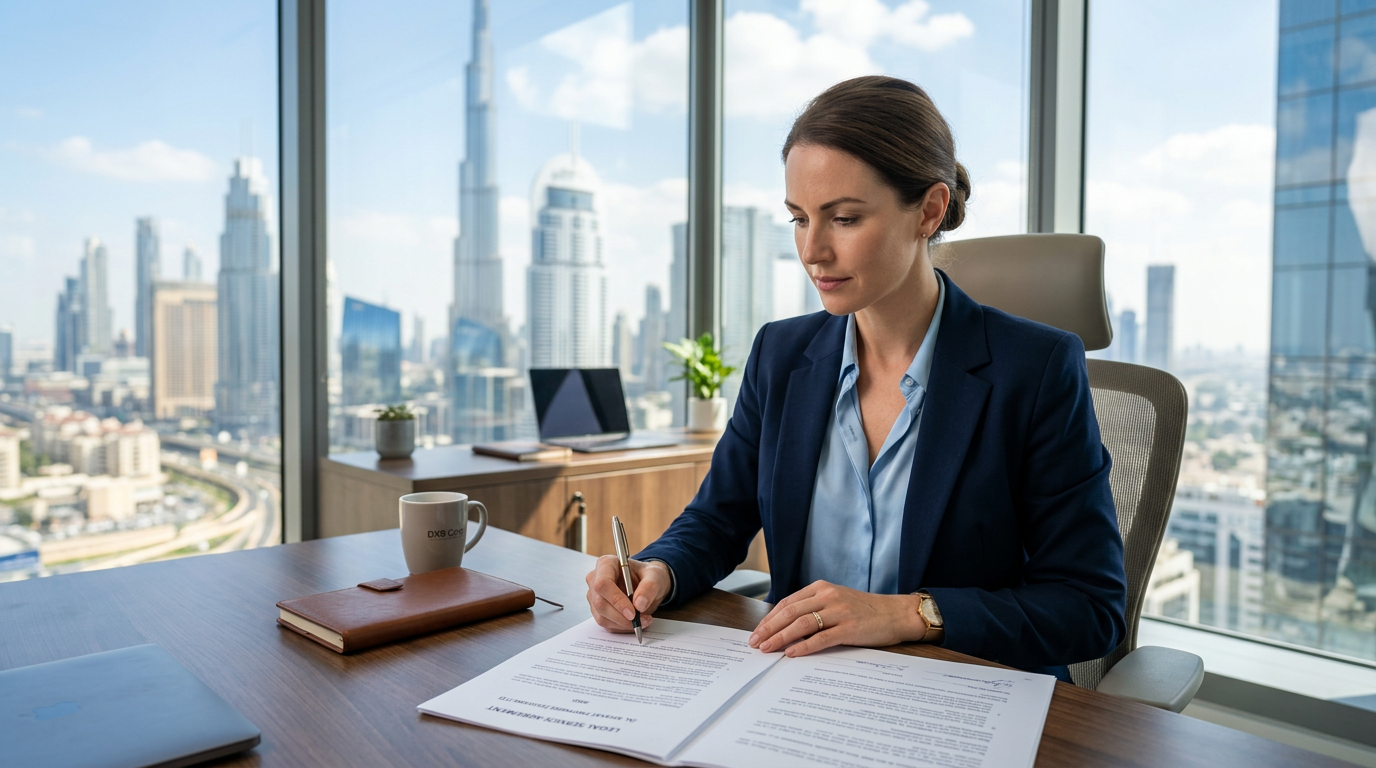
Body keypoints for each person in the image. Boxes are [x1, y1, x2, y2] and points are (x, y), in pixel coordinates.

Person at [584, 75, 1127, 682]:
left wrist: (909, 614)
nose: (812, 250)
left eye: (843, 218)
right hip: (799, 689)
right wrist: (660, 568)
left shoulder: (1037, 368)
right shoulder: (781, 354)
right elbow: (718, 518)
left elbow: (1089, 607)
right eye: (797, 219)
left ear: (929, 210)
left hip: (962, 694)